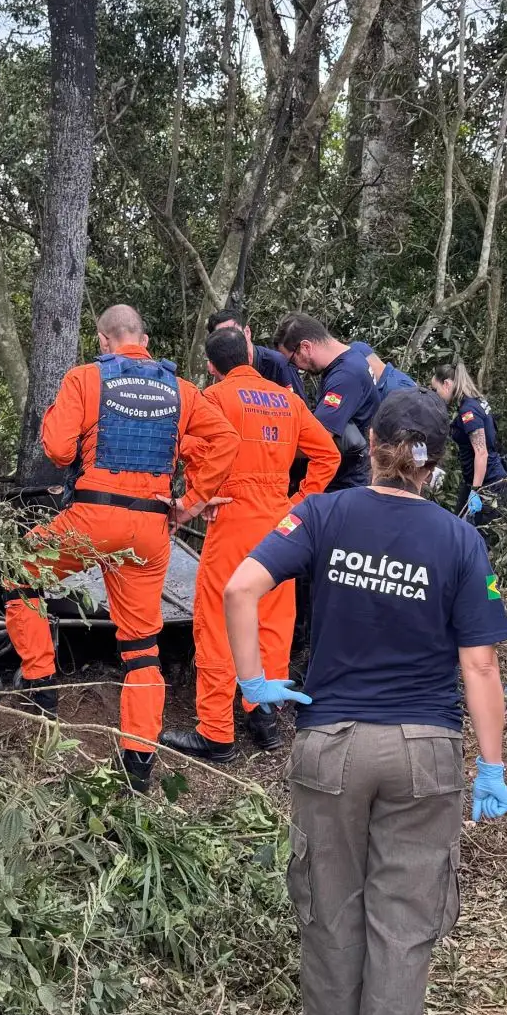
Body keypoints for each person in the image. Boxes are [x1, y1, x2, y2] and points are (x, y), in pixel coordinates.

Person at [222, 390, 507, 1015]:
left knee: (328, 902)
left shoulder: (323, 514)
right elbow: (479, 663)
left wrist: (254, 680)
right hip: (423, 751)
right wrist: (492, 765)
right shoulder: (459, 540)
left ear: (371, 443)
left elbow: (240, 587)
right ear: (436, 462)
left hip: (332, 746)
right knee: (403, 924)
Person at [2, 305, 239, 792]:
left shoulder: (86, 378)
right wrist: (189, 504)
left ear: (104, 340)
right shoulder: (182, 390)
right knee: (140, 647)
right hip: (151, 528)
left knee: (17, 573)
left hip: (92, 518)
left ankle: (42, 684)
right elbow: (226, 440)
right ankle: (138, 765)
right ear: (145, 339)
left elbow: (58, 450)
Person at [159, 327, 340, 763]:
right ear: (251, 354)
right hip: (278, 526)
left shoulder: (214, 399)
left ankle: (216, 733)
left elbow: (189, 449)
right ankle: (264, 716)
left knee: (218, 621)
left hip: (233, 520)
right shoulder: (288, 399)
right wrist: (295, 505)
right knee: (273, 622)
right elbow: (328, 456)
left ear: (211, 366)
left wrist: (199, 496)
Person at [274, 313, 381, 490]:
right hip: (350, 470)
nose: (297, 368)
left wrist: (271, 449)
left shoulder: (345, 376)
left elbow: (318, 438)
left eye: (293, 361)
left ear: (306, 347)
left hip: (346, 479)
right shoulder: (353, 356)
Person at [430, 360, 507, 530]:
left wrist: (476, 491)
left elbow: (481, 452)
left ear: (447, 384)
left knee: (479, 537)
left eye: (436, 390)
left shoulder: (469, 411)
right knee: (458, 527)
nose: (436, 395)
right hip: (475, 480)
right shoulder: (475, 402)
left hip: (488, 484)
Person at [206, 306, 305, 398]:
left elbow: (300, 406)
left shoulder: (278, 363)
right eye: (222, 337)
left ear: (247, 332)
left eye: (234, 332)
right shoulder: (220, 366)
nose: (230, 339)